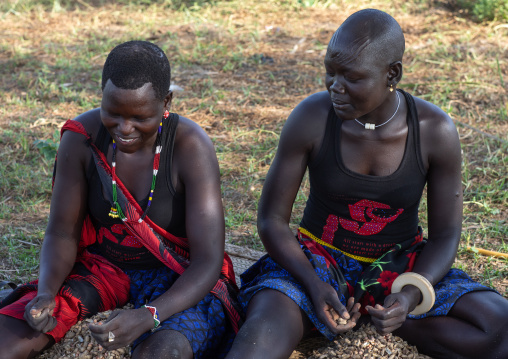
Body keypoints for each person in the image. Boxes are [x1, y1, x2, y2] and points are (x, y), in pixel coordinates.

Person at [225, 9, 508, 359]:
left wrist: (409, 297)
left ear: (393, 74)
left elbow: (447, 235)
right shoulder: (312, 118)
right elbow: (271, 220)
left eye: (352, 78)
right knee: (259, 339)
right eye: (330, 71)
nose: (335, 86)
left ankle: (385, 320)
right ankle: (324, 310)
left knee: (500, 329)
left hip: (401, 267)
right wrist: (314, 285)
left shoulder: (434, 131)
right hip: (317, 262)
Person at [0, 40, 242, 359]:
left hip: (178, 279)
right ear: (102, 95)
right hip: (104, 268)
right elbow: (62, 232)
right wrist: (47, 292)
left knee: (161, 352)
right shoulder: (82, 139)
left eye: (140, 117)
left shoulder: (190, 147)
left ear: (166, 101)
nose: (124, 128)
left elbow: (207, 261)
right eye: (113, 113)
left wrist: (150, 314)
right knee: (10, 341)